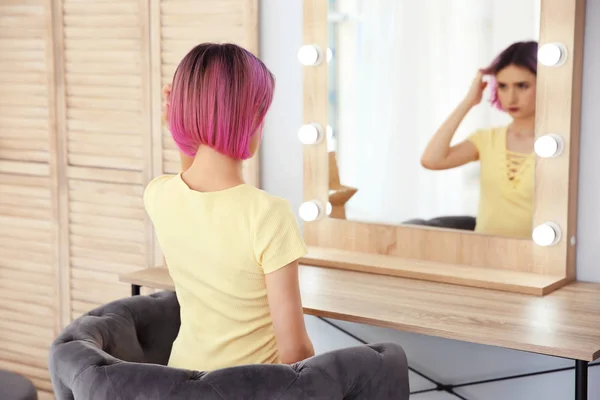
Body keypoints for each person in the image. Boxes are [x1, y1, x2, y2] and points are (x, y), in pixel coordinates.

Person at [144, 43, 314, 372]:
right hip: (250, 390)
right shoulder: (267, 215)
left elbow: (193, 182)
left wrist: (179, 123)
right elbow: (294, 350)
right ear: (250, 119)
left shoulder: (158, 195)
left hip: (179, 382)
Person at [420, 41, 538, 239]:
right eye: (502, 86)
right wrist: (468, 102)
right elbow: (432, 160)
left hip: (537, 261)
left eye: (522, 86)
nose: (511, 97)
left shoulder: (556, 146)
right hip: (482, 258)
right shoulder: (486, 139)